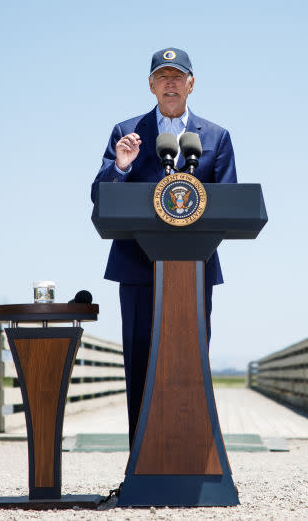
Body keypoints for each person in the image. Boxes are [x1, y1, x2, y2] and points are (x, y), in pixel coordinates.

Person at [90, 47, 237, 443]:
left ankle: (191, 453)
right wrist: (120, 166)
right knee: (139, 364)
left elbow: (230, 204)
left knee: (189, 363)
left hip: (194, 270)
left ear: (191, 84)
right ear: (151, 85)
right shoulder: (127, 133)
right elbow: (99, 197)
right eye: (163, 76)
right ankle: (140, 458)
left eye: (178, 76)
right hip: (136, 269)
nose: (170, 83)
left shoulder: (216, 137)